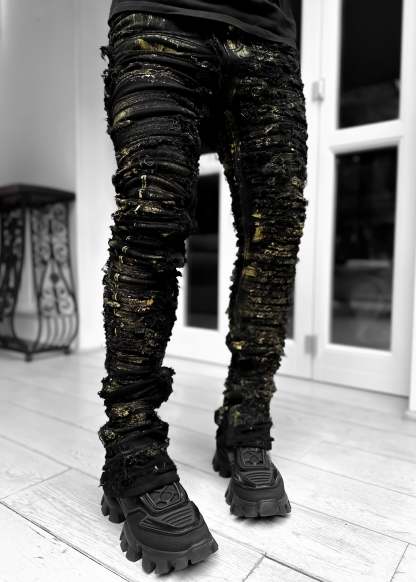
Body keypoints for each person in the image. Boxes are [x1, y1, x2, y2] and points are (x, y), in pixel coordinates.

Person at [98, 0, 309, 575]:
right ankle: (131, 447)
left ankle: (246, 424)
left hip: (268, 32)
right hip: (159, 14)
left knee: (275, 236)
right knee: (152, 221)